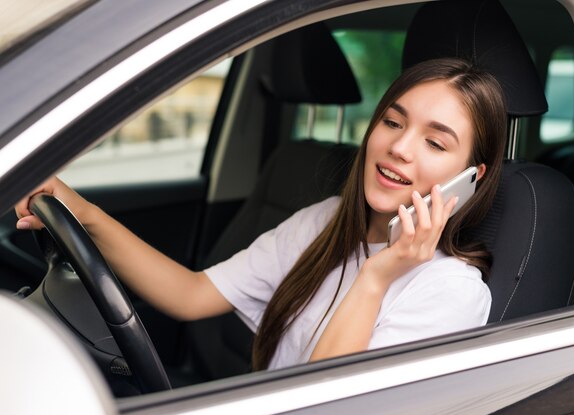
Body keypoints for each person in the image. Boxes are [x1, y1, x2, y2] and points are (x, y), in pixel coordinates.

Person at [15, 57, 507, 371]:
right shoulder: (324, 221)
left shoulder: (451, 293)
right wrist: (82, 213)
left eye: (435, 142)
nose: (398, 147)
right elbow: (191, 294)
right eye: (392, 121)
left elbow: (324, 409)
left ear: (471, 176)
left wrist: (377, 277)